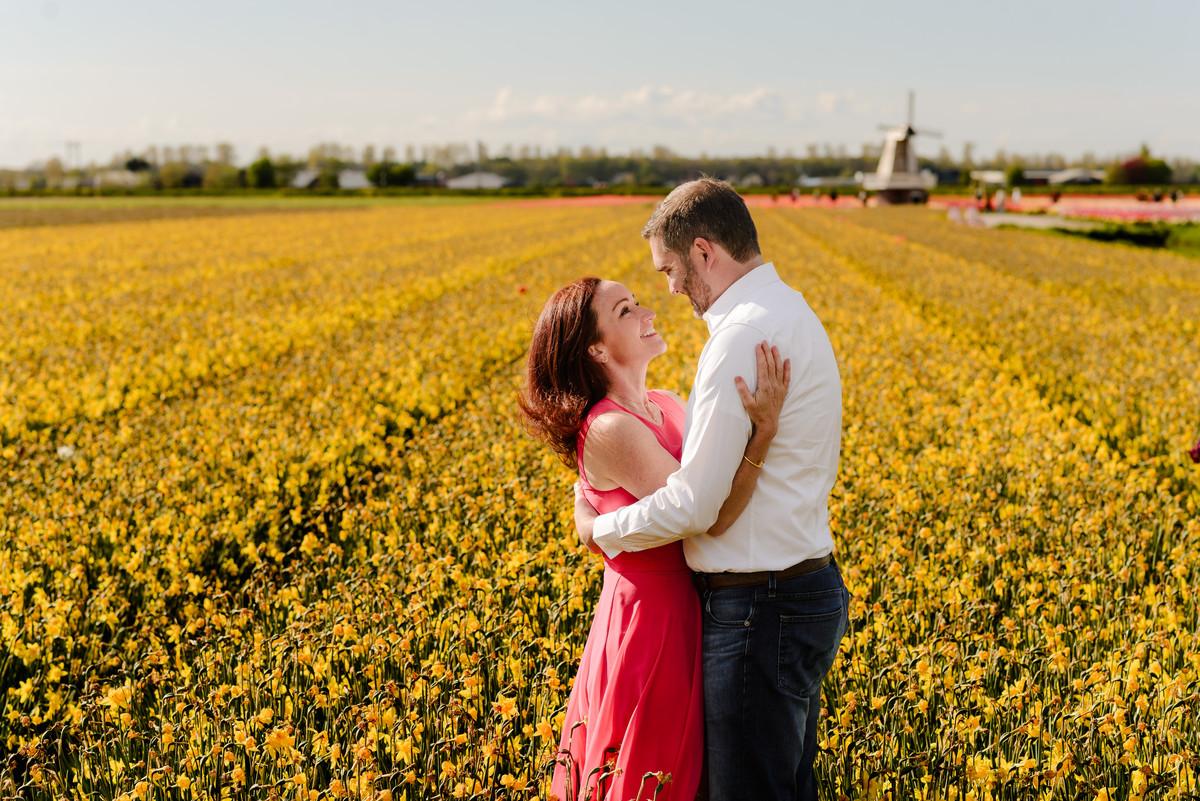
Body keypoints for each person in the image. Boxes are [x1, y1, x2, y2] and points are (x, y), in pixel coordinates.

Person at [575, 178, 849, 801]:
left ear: (703, 252)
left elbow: (698, 506)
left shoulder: (739, 336)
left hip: (760, 604)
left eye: (669, 269)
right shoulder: (790, 309)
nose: (668, 289)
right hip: (802, 586)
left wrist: (600, 529)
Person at [519, 276, 791, 801]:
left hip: (692, 604)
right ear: (595, 348)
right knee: (656, 768)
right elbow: (706, 512)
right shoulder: (608, 429)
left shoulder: (667, 403)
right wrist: (764, 435)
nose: (648, 312)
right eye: (625, 310)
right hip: (654, 621)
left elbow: (715, 486)